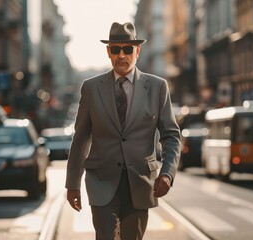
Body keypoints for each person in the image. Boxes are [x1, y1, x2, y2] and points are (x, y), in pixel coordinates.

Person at [65, 21, 181, 240]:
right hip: (101, 182)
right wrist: (72, 184)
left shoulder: (157, 87)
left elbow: (171, 136)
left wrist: (167, 173)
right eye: (115, 49)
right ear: (108, 52)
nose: (121, 55)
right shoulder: (91, 88)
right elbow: (80, 139)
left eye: (127, 49)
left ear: (137, 51)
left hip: (140, 182)